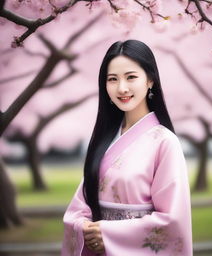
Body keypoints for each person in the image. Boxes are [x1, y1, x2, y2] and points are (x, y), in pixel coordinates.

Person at [61, 39, 193, 256]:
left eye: (131, 77)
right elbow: (82, 201)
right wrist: (83, 226)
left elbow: (172, 220)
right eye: (112, 79)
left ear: (150, 80)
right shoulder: (106, 138)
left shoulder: (164, 142)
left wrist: (108, 234)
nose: (121, 88)